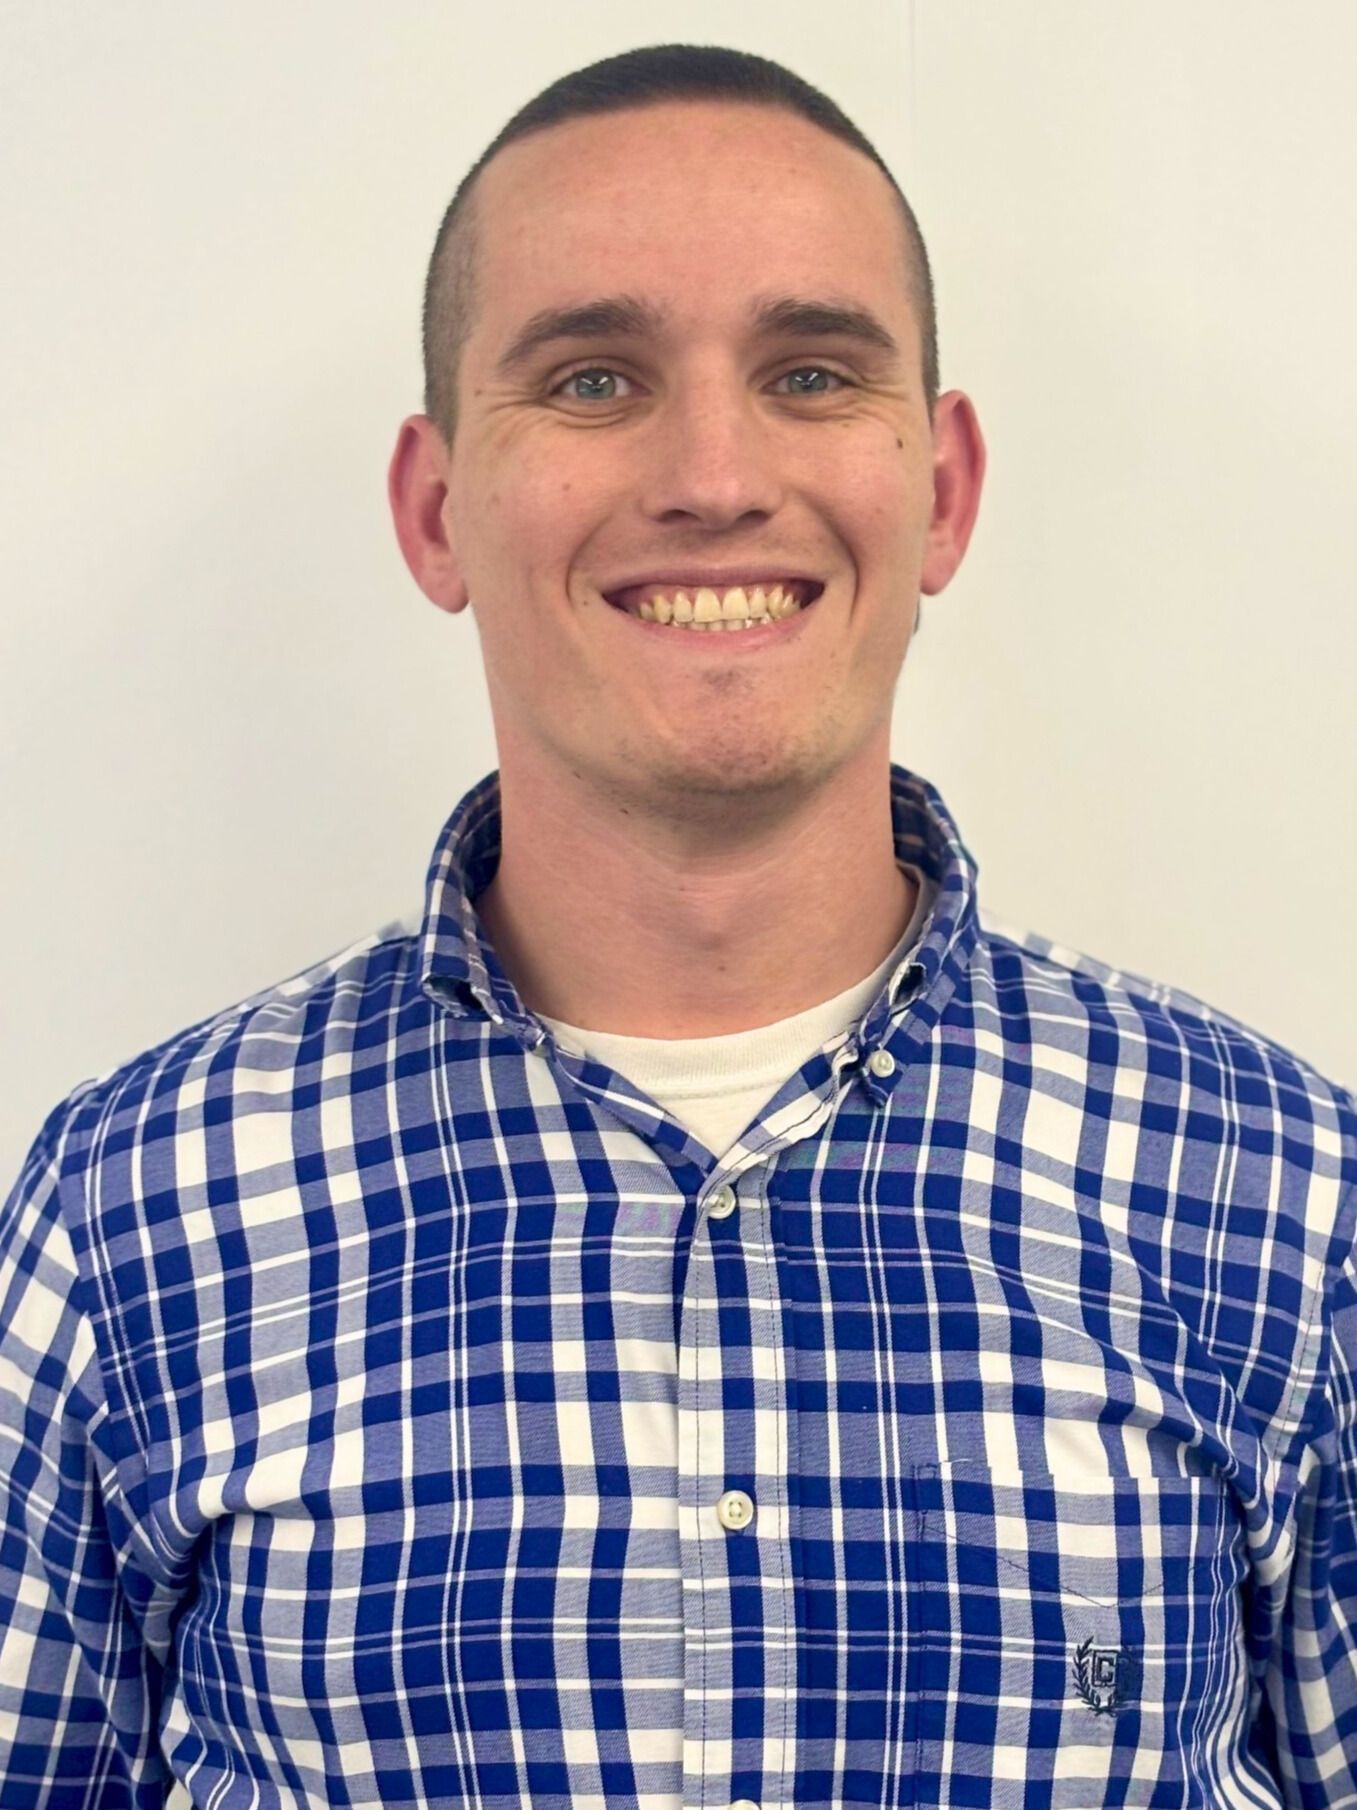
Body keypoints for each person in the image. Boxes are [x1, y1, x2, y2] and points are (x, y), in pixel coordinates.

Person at [2, 38, 1353, 1810]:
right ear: (435, 509)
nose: (714, 470)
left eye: (807, 371)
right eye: (591, 379)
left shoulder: (1274, 1191)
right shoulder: (127, 1219)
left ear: (937, 489)